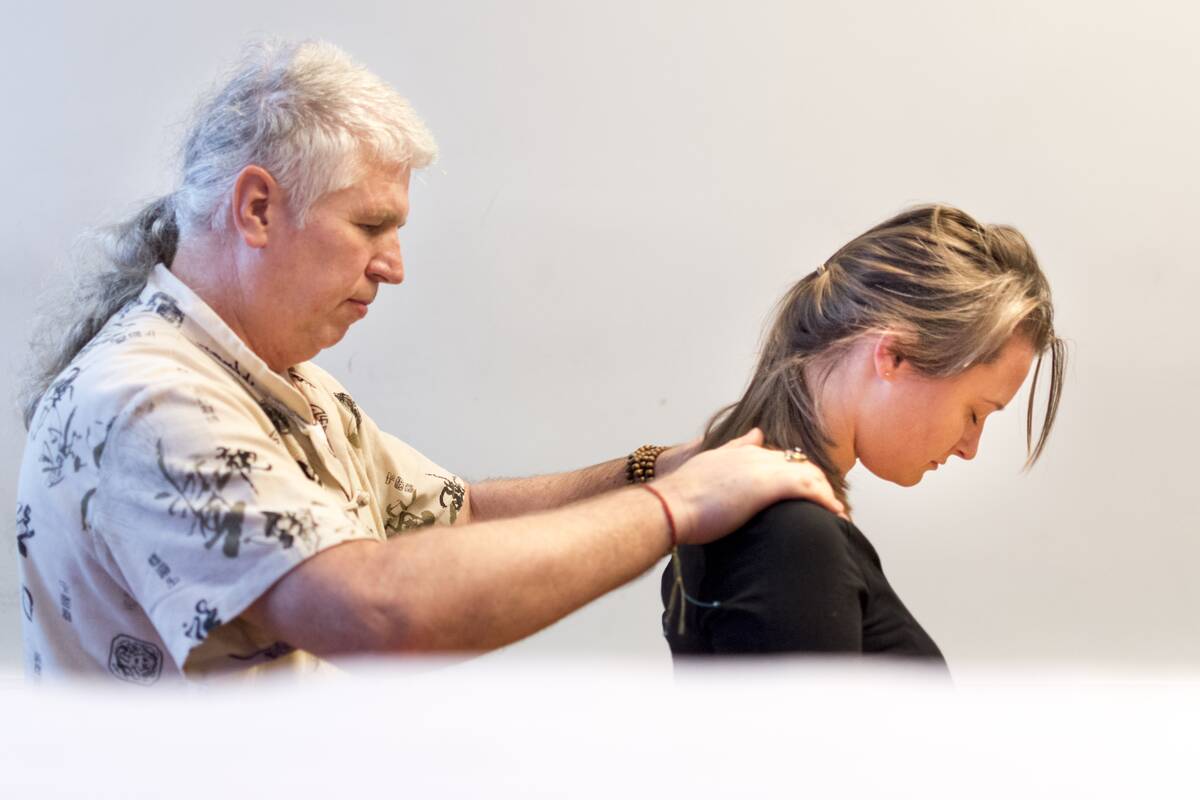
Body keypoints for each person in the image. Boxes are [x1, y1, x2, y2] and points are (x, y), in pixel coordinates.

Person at [14, 40, 844, 684]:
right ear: (258, 208)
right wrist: (676, 509)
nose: (394, 266)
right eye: (370, 227)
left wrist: (658, 466)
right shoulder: (149, 400)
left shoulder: (286, 385)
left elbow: (458, 515)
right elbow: (378, 611)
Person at [661, 205, 1066, 670]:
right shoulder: (793, 539)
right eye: (974, 413)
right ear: (894, 355)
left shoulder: (761, 525)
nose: (969, 448)